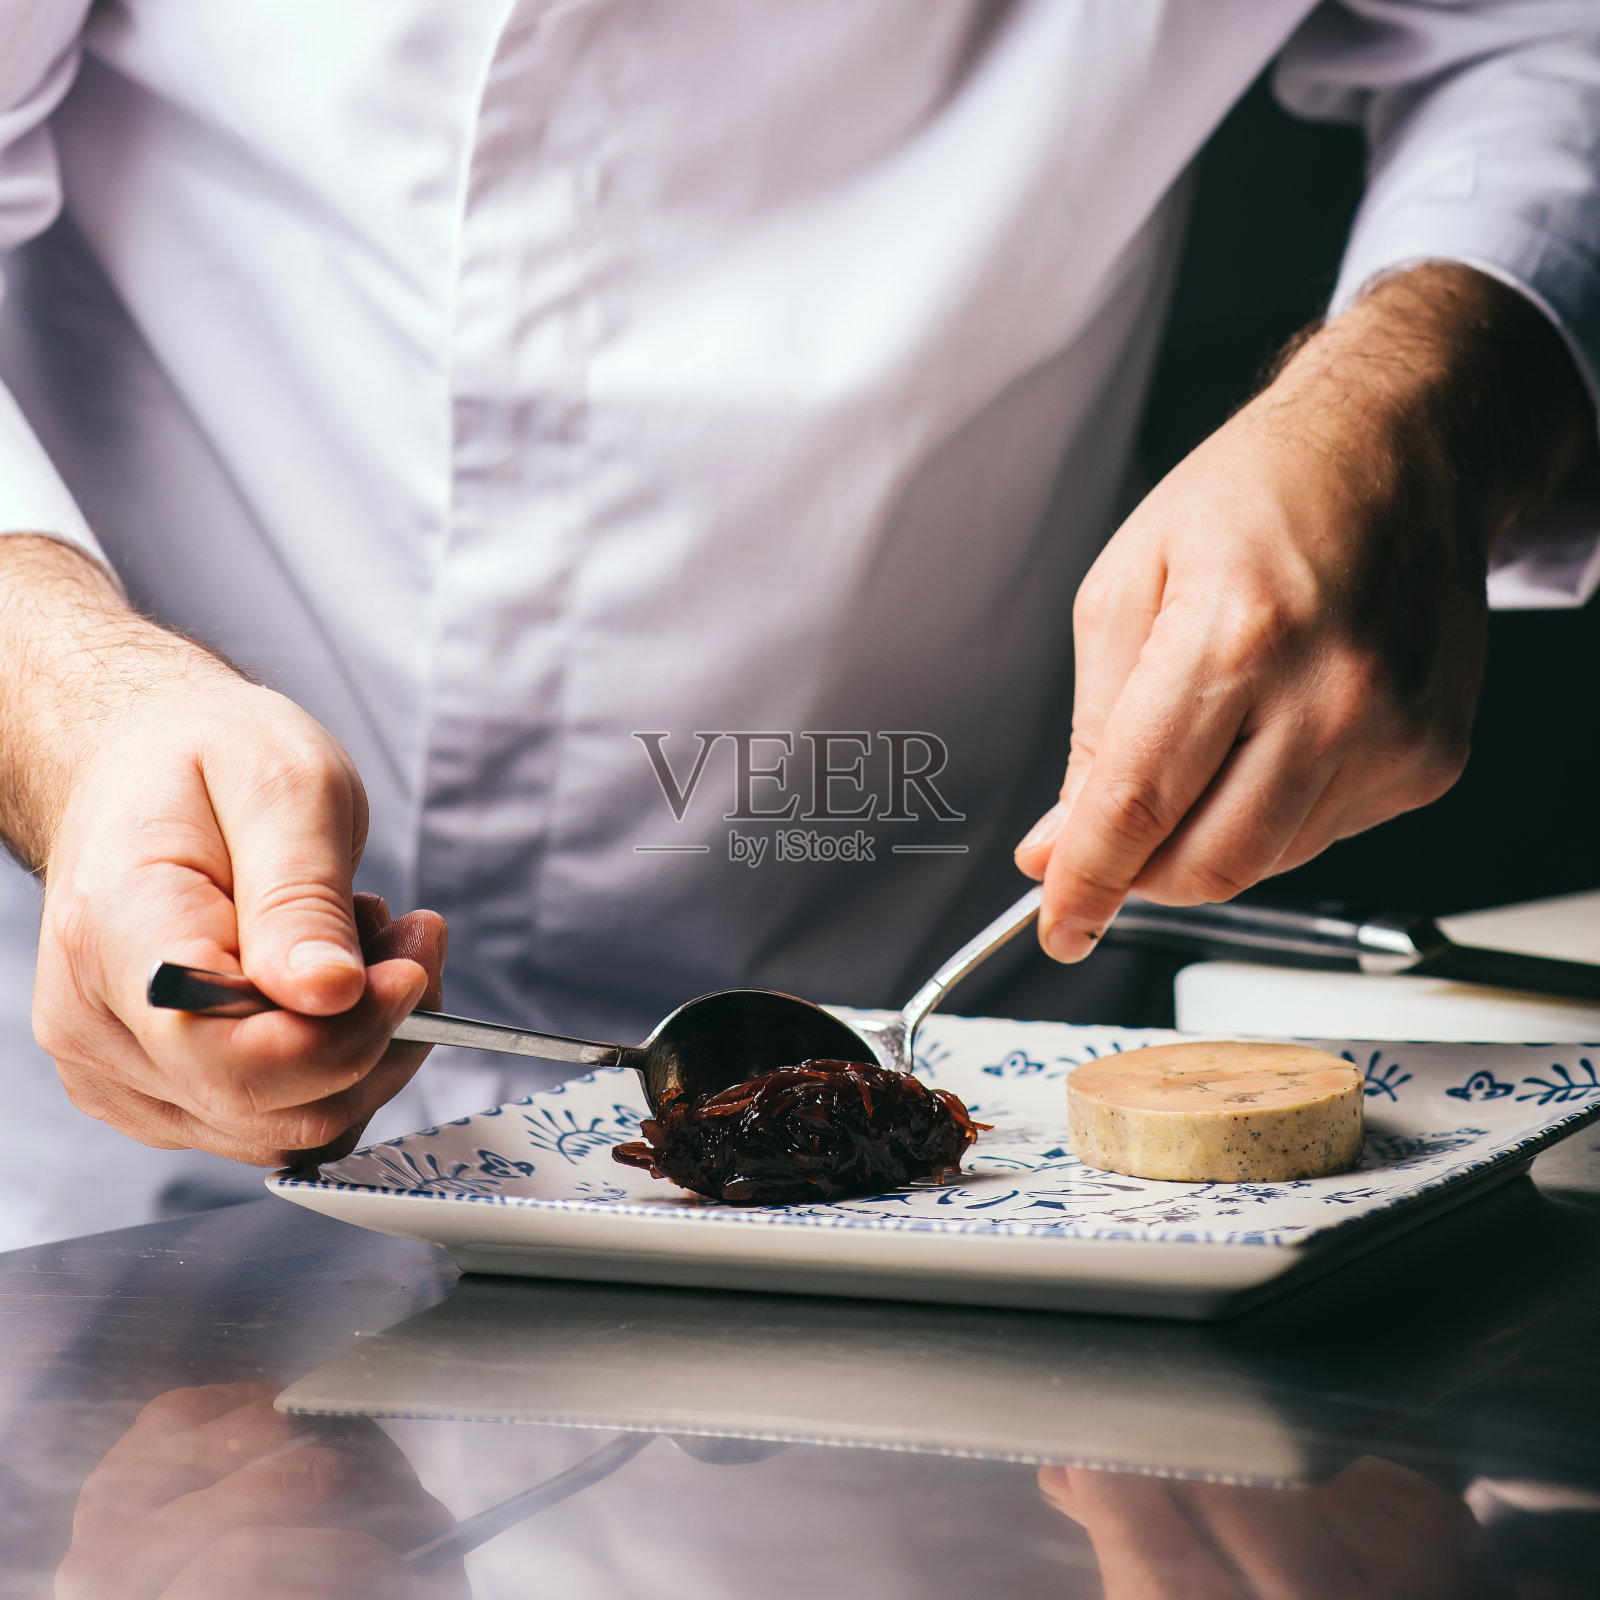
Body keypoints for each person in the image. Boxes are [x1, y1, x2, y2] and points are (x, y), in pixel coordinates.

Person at [0, 1, 1595, 1243]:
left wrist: (1424, 408)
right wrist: (71, 708)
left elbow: (1542, 40)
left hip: (985, 1120)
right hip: (124, 1149)